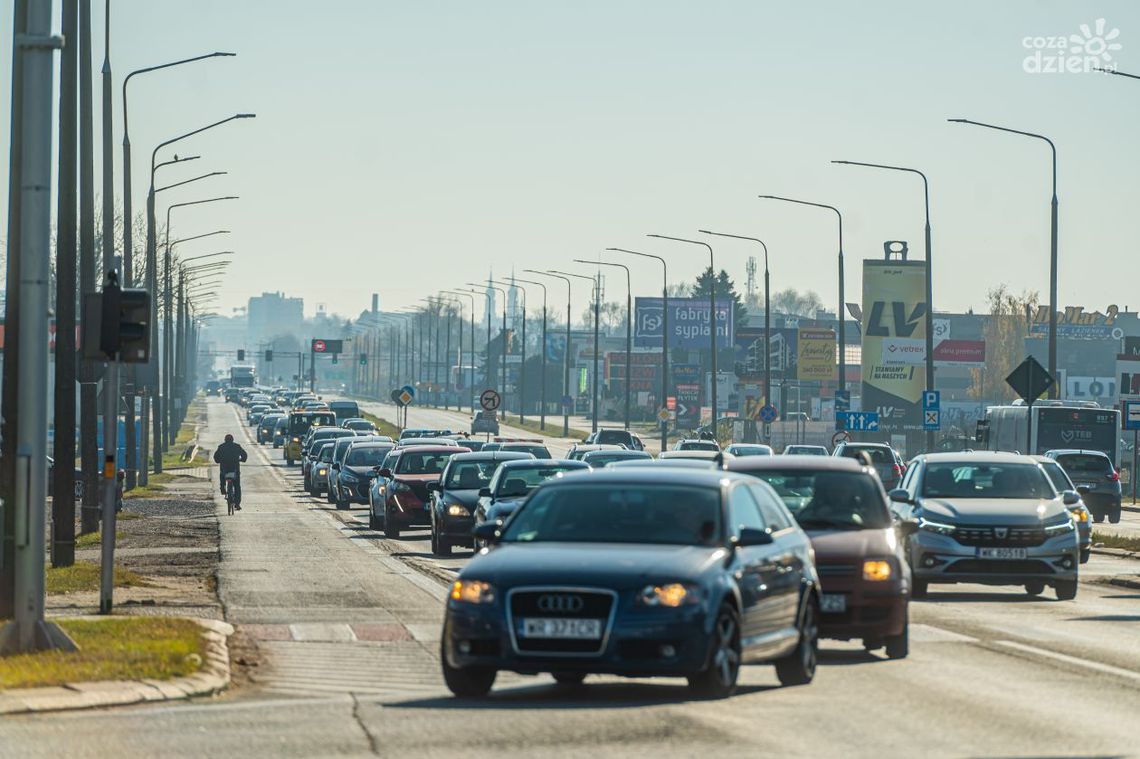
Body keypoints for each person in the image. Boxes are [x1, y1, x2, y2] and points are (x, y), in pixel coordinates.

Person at [213, 433, 248, 509]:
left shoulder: (221, 447)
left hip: (224, 469)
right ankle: (237, 504)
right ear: (232, 440)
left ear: (225, 440)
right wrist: (242, 459)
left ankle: (222, 488)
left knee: (222, 476)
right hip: (235, 469)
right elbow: (244, 455)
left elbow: (216, 457)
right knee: (237, 486)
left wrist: (218, 460)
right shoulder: (237, 446)